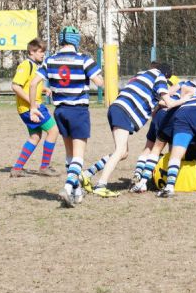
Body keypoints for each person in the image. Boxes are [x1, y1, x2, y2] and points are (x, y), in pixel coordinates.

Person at [81, 63, 189, 197]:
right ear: (166, 76)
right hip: (125, 112)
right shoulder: (160, 77)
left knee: (123, 153)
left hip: (116, 107)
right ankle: (101, 185)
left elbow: (158, 98)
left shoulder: (142, 74)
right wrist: (185, 99)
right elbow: (169, 103)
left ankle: (86, 174)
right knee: (120, 151)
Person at [29, 26, 103, 208]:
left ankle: (77, 191)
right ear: (76, 40)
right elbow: (100, 83)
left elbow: (33, 83)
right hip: (78, 111)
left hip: (60, 111)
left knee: (70, 155)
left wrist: (33, 107)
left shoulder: (50, 60)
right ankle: (68, 187)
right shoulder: (84, 60)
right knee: (79, 155)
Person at [10, 38, 59, 177]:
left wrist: (43, 89)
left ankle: (17, 169)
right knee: (53, 131)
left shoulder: (35, 65)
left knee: (35, 137)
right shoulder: (26, 65)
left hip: (29, 107)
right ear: (31, 51)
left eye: (44, 51)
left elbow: (30, 84)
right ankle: (44, 167)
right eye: (40, 51)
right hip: (31, 107)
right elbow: (15, 86)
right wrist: (32, 103)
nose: (43, 54)